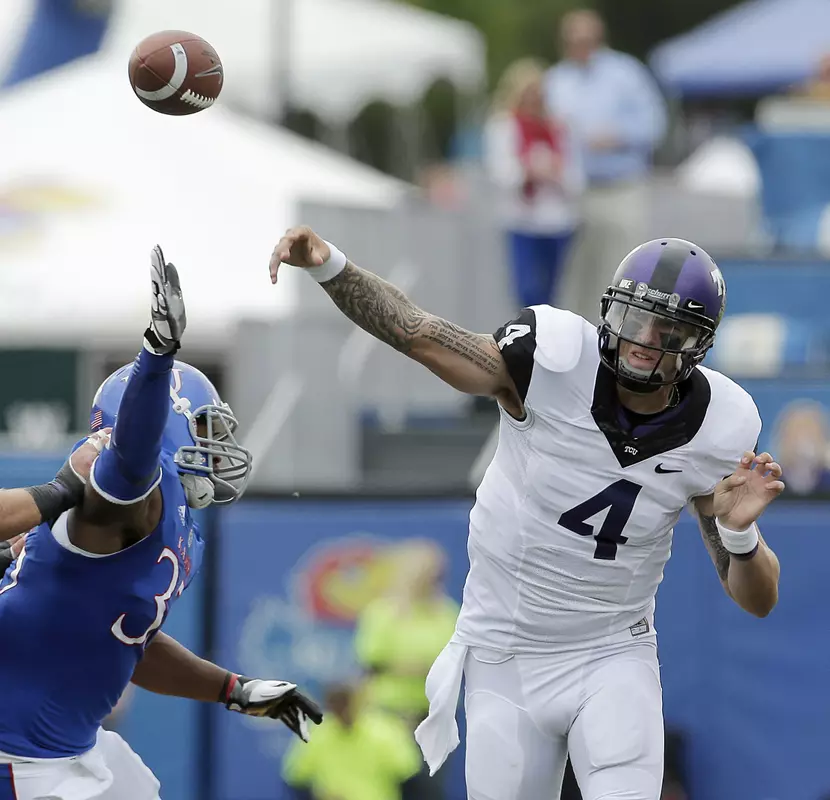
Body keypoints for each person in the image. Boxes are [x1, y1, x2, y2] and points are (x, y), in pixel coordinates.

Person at [269, 229, 784, 800]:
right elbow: (417, 332)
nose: (644, 341)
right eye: (636, 318)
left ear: (699, 345)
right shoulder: (552, 359)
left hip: (613, 649)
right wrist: (330, 266)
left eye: (670, 331)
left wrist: (739, 534)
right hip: (506, 651)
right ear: (610, 309)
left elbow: (756, 598)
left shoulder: (721, 426)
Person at [0, 246, 322, 799]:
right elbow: (130, 460)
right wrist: (156, 355)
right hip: (20, 759)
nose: (215, 447)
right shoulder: (125, 501)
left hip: (69, 748)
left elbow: (128, 639)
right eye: (202, 428)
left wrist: (234, 689)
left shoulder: (174, 521)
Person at [544, 9, 667, 324]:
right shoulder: (556, 80)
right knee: (576, 277)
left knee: (622, 268)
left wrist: (617, 137)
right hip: (572, 193)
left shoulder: (625, 74)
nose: (579, 46)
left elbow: (656, 125)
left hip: (621, 187)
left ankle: (620, 335)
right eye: (573, 41)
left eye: (586, 40)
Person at [483, 57, 583, 309]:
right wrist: (528, 172)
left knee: (552, 291)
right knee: (527, 289)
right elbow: (500, 173)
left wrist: (555, 172)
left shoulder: (559, 129)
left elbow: (576, 179)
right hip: (522, 220)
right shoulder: (504, 127)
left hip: (557, 221)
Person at [282, 682, 420, 800]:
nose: (343, 711)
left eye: (345, 704)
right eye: (336, 706)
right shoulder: (316, 735)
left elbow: (410, 777)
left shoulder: (384, 731)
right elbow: (295, 779)